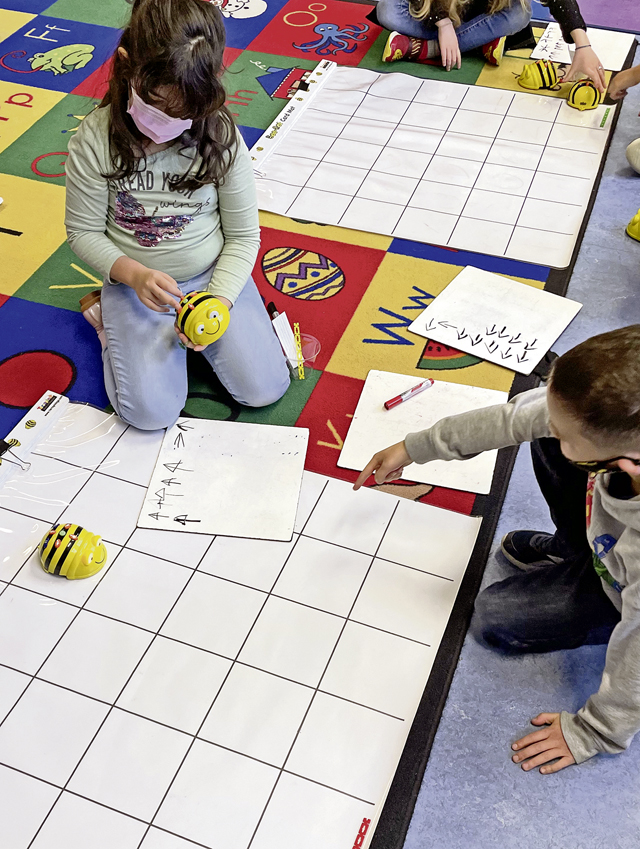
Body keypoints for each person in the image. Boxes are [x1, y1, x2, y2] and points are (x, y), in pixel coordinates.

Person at [354, 325, 640, 773]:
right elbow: (511, 418)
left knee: (494, 619)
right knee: (549, 435)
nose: (551, 429)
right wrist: (415, 448)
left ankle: (595, 566)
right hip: (612, 535)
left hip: (626, 592)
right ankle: (576, 549)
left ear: (626, 462)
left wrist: (596, 730)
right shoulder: (615, 431)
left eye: (570, 437)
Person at [65, 0, 289, 431]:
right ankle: (107, 324)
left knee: (265, 389)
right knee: (151, 415)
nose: (171, 122)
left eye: (186, 112)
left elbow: (244, 237)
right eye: (160, 105)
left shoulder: (220, 134)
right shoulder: (93, 140)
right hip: (137, 288)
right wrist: (132, 276)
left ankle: (193, 337)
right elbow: (82, 232)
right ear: (127, 65)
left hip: (212, 276)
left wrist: (220, 298)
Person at [378, 0, 607, 94]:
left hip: (480, 17)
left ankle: (429, 49)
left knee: (519, 14)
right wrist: (443, 22)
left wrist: (583, 45)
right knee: (387, 10)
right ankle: (477, 43)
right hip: (434, 13)